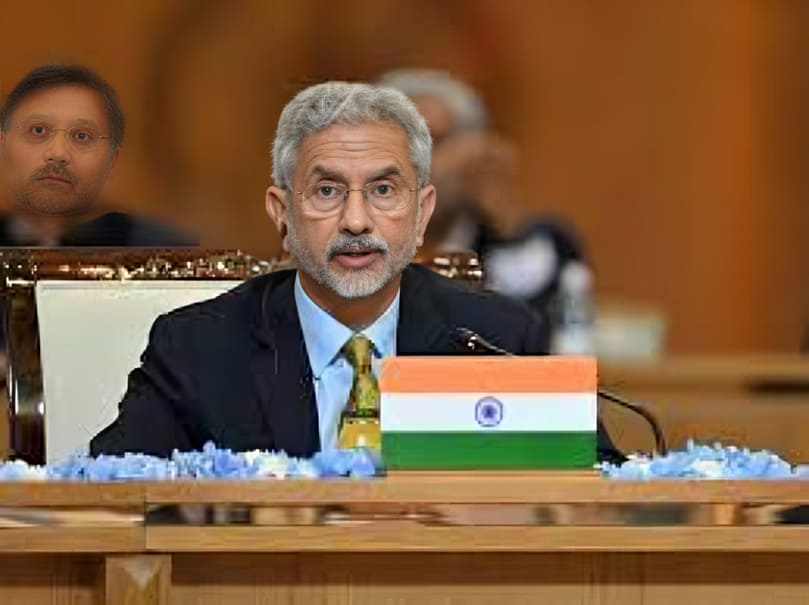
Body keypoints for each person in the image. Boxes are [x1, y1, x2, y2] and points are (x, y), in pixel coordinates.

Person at [90, 81, 620, 461]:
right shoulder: (199, 347)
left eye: (384, 190)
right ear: (281, 212)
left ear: (422, 214)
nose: (357, 220)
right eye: (327, 190)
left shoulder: (497, 338)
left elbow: (594, 489)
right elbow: (111, 493)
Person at [378, 69, 588, 341]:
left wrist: (506, 223)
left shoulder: (535, 248)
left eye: (432, 141)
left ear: (477, 153)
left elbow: (537, 342)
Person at [0, 64, 195, 246]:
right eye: (38, 130)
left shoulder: (167, 249)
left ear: (112, 161)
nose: (58, 153)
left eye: (82, 136)